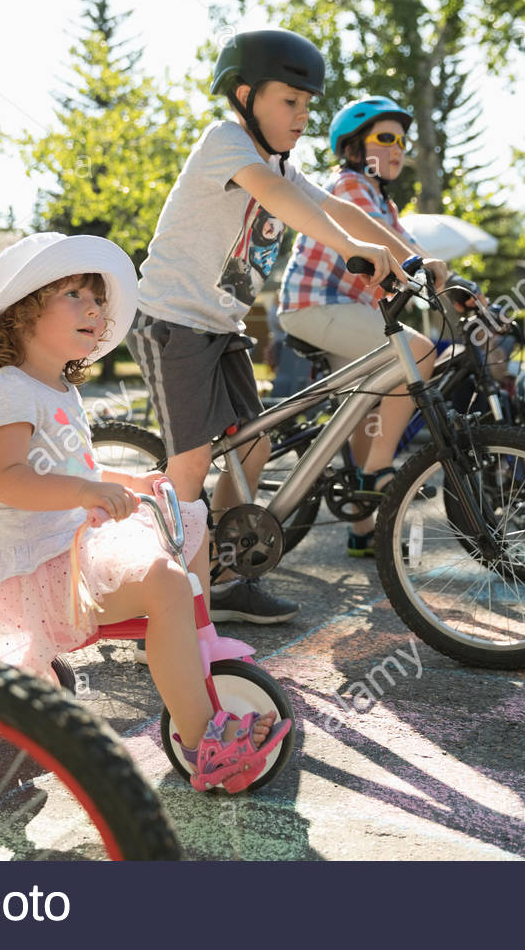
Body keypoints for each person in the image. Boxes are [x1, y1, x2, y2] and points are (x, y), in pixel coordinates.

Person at [0, 232, 289, 792]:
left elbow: (73, 464)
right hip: (33, 567)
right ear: (22, 315)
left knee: (189, 514)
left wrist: (123, 480)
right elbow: (6, 481)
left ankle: (196, 649)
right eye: (74, 294)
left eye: (97, 297)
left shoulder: (59, 388)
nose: (94, 308)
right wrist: (85, 493)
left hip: (70, 543)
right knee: (164, 584)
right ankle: (206, 745)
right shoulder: (10, 392)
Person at [131, 30, 439, 620]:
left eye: (308, 104)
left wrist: (409, 258)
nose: (302, 116)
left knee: (252, 448)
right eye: (289, 101)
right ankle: (165, 607)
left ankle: (221, 578)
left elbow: (336, 206)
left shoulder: (276, 161)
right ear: (245, 95)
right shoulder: (227, 143)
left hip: (220, 326)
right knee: (191, 464)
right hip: (173, 321)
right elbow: (280, 198)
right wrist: (349, 248)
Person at [277, 95, 446, 558]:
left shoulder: (382, 199)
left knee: (365, 412)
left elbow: (402, 239)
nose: (398, 149)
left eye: (402, 141)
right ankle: (377, 475)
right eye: (385, 138)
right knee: (420, 351)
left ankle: (363, 528)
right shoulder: (351, 184)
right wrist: (422, 263)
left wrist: (462, 287)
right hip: (315, 305)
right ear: (355, 148)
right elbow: (377, 235)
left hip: (343, 310)